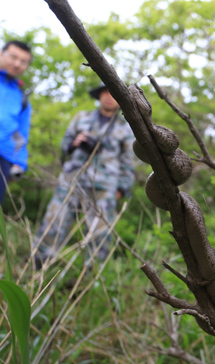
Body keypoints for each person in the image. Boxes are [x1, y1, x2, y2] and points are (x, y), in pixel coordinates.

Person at [34, 84, 135, 269]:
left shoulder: (126, 128)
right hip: (72, 178)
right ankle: (38, 264)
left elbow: (128, 161)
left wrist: (122, 188)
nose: (109, 97)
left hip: (105, 186)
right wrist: (76, 143)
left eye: (113, 93)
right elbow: (65, 145)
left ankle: (93, 275)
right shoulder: (82, 117)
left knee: (99, 232)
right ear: (99, 96)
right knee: (54, 220)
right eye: (105, 92)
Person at [0, 40, 32, 204]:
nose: (17, 64)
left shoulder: (22, 99)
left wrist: (19, 163)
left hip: (3, 158)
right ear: (1, 54)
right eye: (13, 57)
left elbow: (21, 135)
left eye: (23, 61)